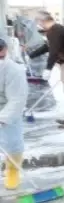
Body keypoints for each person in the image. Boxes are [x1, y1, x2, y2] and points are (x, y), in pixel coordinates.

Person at [26, 11, 64, 128]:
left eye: (38, 21)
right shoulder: (57, 30)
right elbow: (48, 47)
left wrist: (48, 69)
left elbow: (53, 51)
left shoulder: (54, 31)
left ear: (43, 21)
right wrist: (31, 55)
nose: (38, 24)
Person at [0, 37, 28, 190]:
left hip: (7, 108)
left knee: (12, 143)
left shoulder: (13, 70)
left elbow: (17, 98)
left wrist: (3, 118)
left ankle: (12, 170)